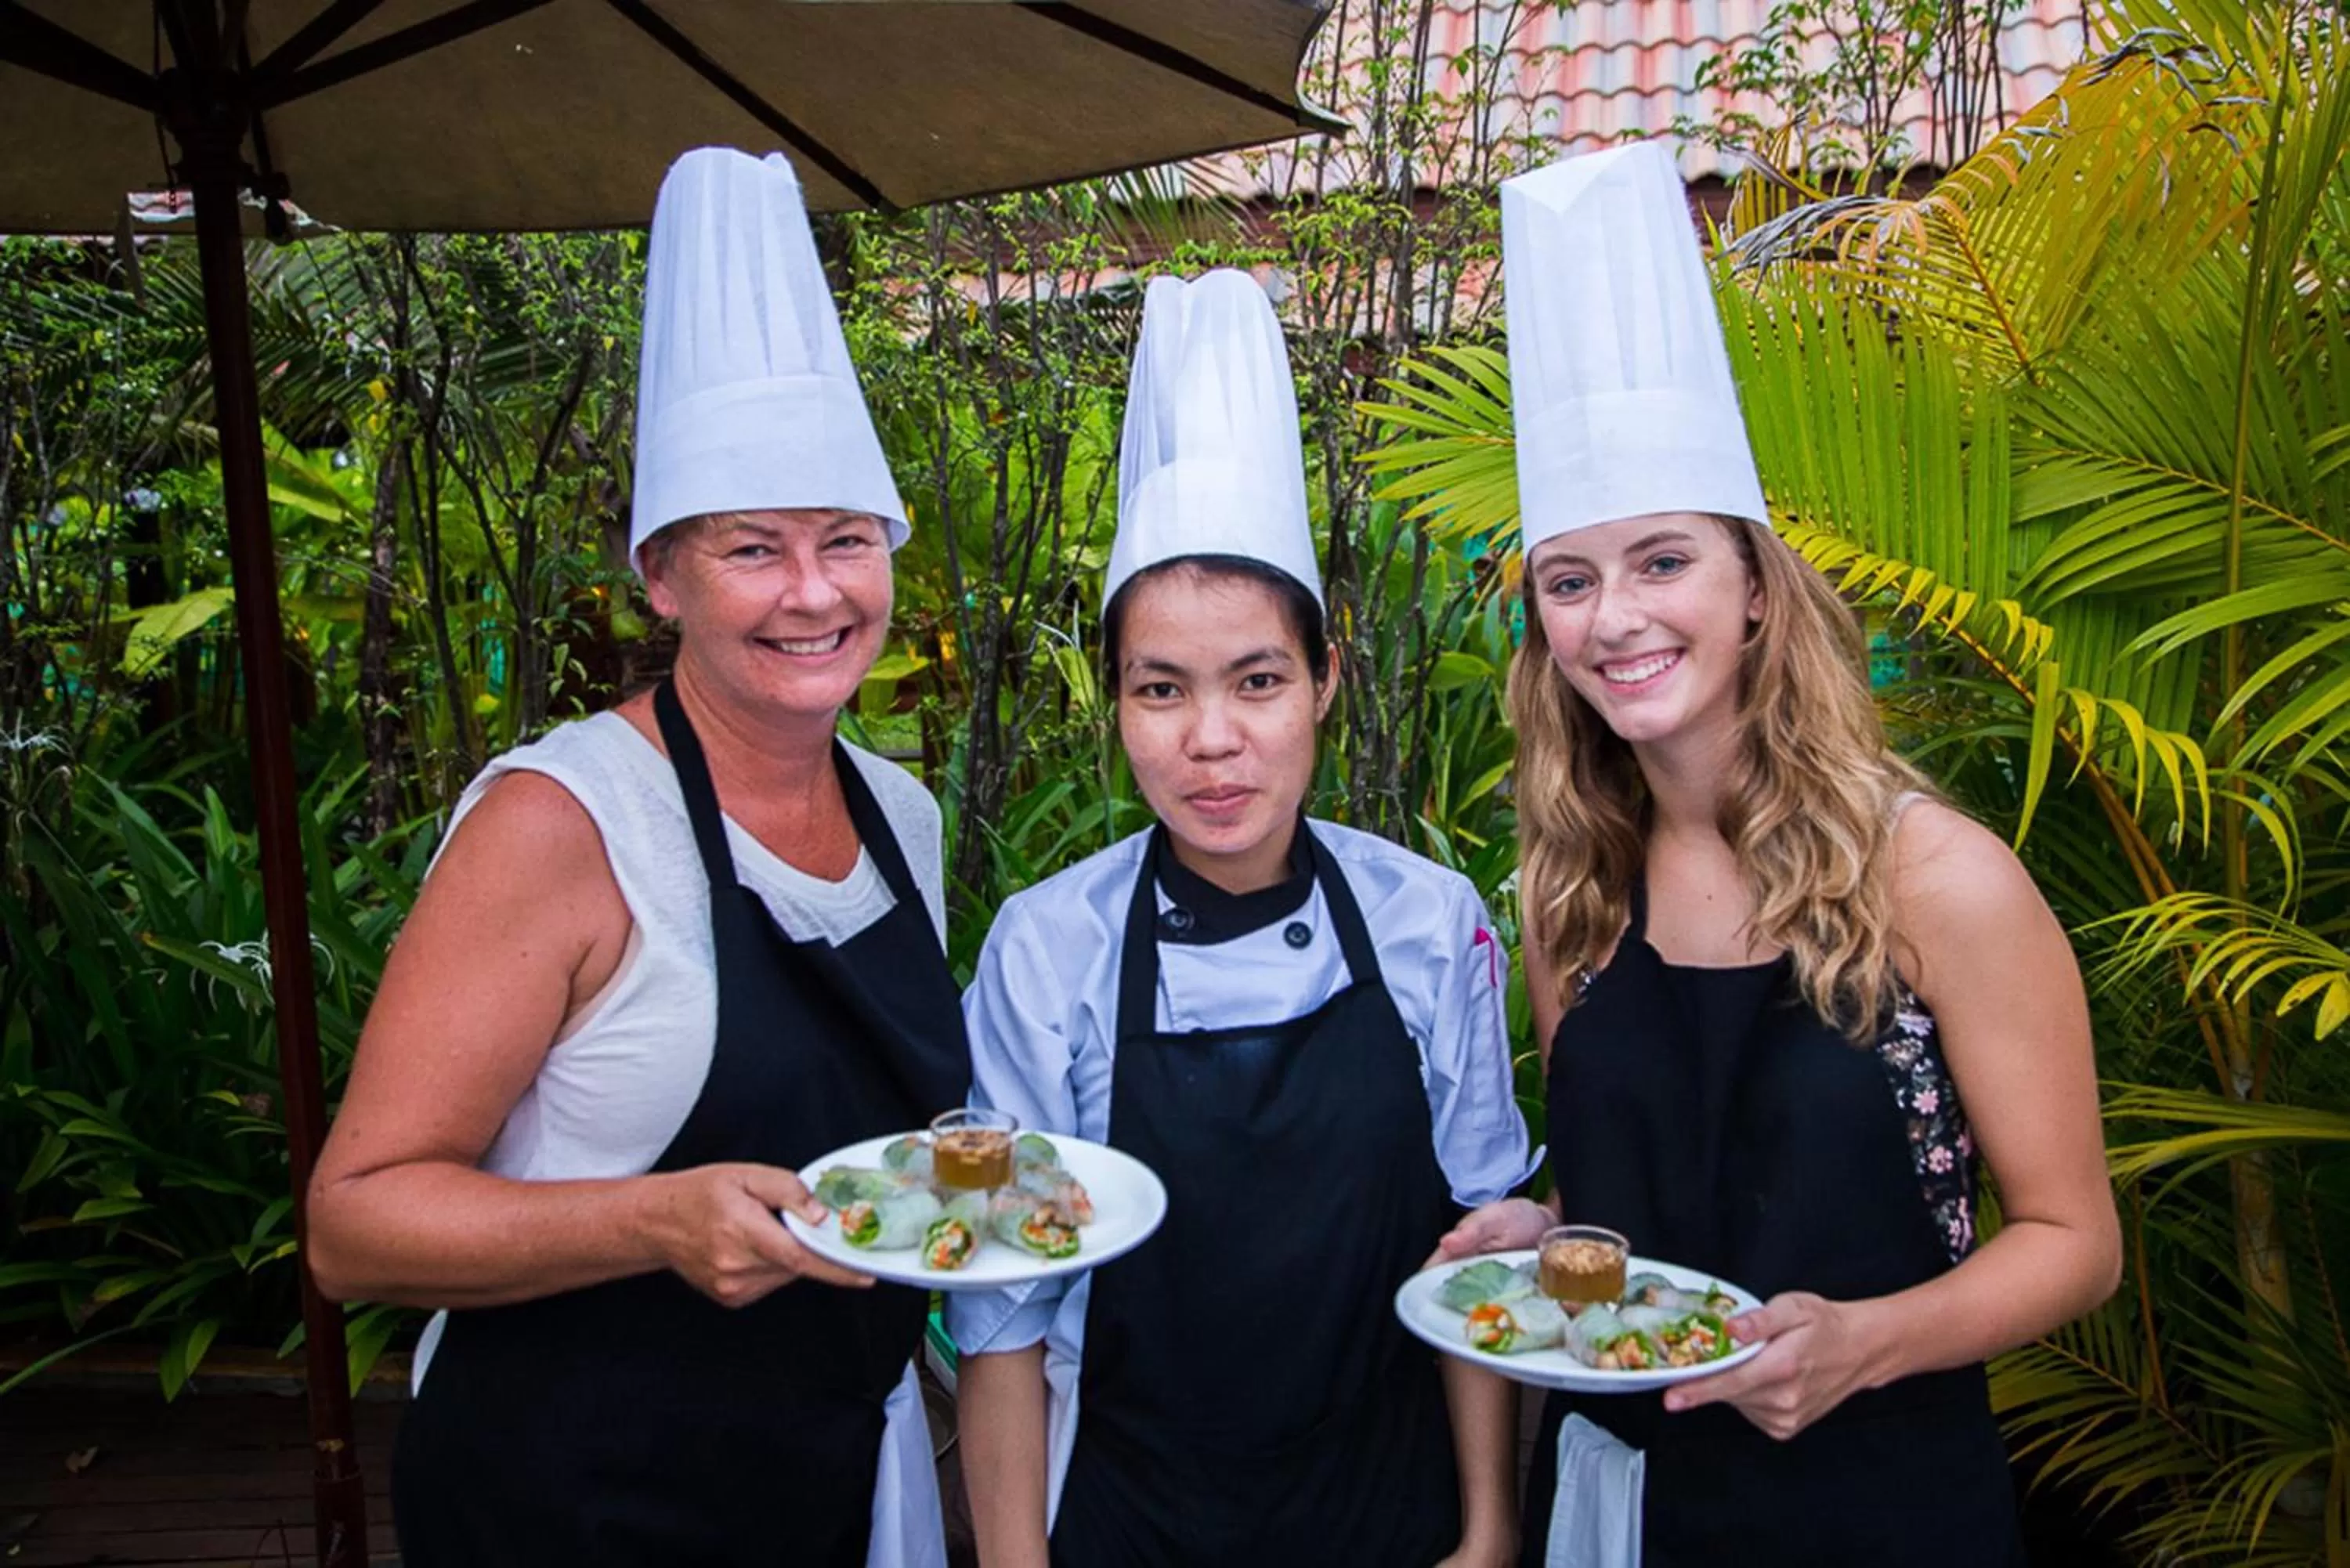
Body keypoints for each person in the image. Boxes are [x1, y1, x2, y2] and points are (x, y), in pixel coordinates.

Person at [1431, 141, 2121, 1567]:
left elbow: (2073, 1236)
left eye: (1663, 560)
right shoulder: (1574, 890)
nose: (1613, 616)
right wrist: (1549, 1222)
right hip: (1622, 1504)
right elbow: (1663, 1204)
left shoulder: (1935, 877)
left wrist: (1869, 1343)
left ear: (1756, 587)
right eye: (1571, 578)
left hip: (1880, 1506)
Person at [305, 147, 967, 1568]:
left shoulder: (904, 816)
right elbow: (354, 1227)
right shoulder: (559, 823)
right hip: (582, 1493)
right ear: (660, 576)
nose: (813, 592)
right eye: (752, 547)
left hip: (843, 1468)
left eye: (847, 540)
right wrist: (654, 1220)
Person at [949, 269, 1535, 1568]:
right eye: (1162, 688)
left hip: (1395, 1517)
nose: (1213, 743)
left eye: (1257, 680)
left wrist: (1490, 1534)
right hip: (1132, 1522)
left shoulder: (1430, 922)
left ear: (1327, 678)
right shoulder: (1049, 948)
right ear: (1113, 699)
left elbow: (1480, 1251)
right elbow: (1002, 1310)